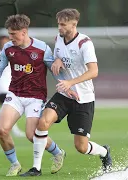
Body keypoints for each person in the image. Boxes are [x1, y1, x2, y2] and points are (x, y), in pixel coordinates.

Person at [0, 14, 77, 176]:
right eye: (9, 34)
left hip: (35, 97)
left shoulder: (42, 48)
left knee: (31, 135)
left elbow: (54, 69)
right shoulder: (8, 48)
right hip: (15, 94)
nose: (10, 38)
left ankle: (58, 153)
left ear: (24, 32)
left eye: (13, 34)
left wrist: (65, 85)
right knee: (3, 130)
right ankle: (15, 164)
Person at [21, 8, 112, 176]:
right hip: (64, 94)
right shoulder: (59, 39)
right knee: (43, 123)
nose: (59, 27)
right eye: (58, 24)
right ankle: (36, 168)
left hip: (83, 99)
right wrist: (57, 60)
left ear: (74, 24)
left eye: (63, 24)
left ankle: (105, 152)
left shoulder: (84, 44)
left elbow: (94, 71)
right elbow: (59, 56)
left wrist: (70, 82)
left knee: (81, 147)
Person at [0, 36, 26, 139]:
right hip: (0, 86)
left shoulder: (12, 54)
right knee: (10, 107)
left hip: (10, 86)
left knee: (8, 108)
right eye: (3, 43)